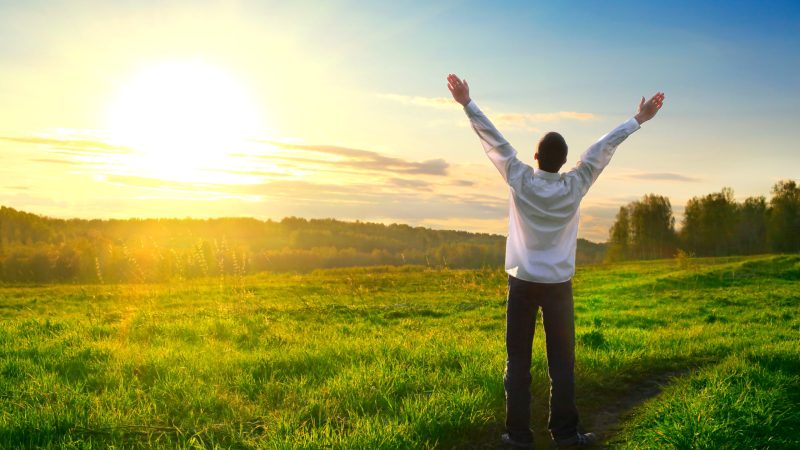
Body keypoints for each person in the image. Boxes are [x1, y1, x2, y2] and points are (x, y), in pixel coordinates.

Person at [446, 73, 664, 448]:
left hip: (523, 283)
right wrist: (637, 120)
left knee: (517, 364)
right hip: (558, 288)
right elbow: (601, 149)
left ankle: (518, 436)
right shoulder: (575, 184)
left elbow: (494, 141)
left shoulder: (520, 179)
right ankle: (564, 434)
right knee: (561, 366)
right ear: (565, 161)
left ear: (536, 157)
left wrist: (467, 103)